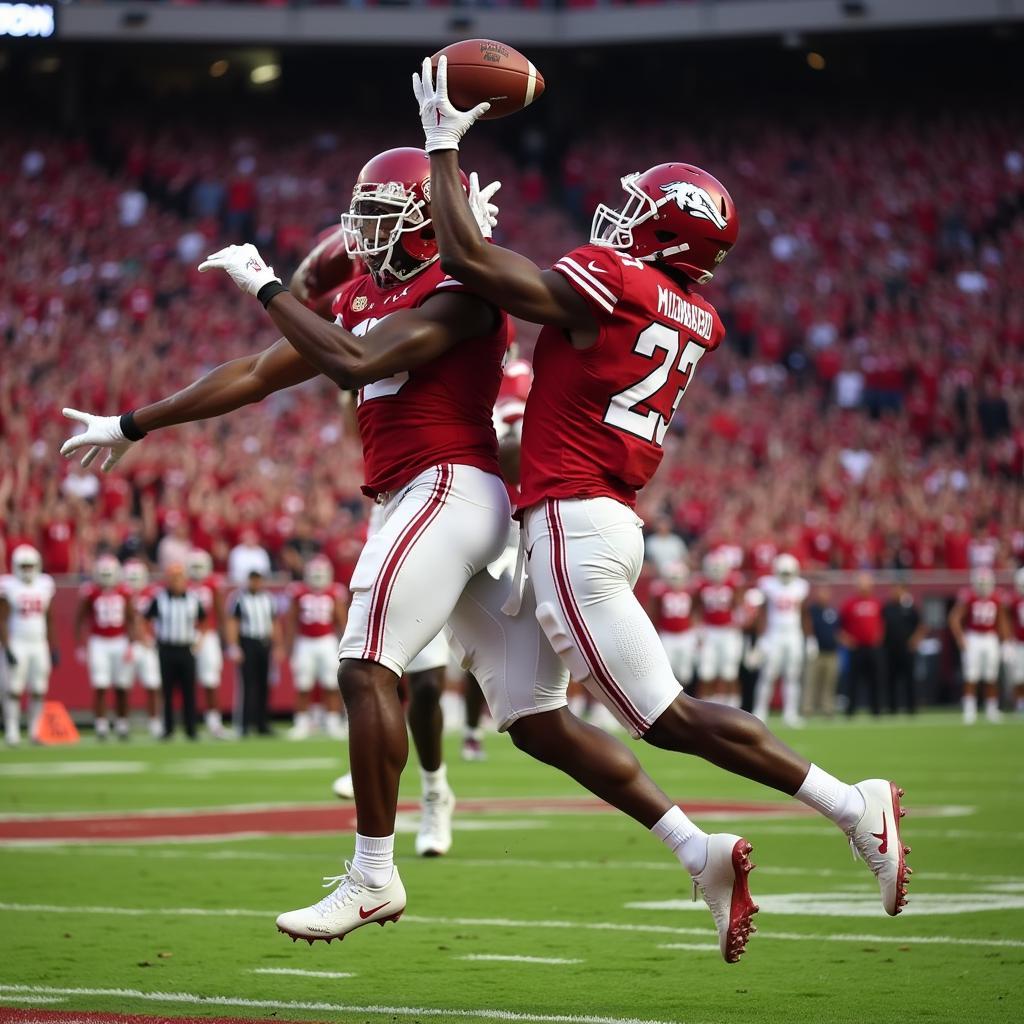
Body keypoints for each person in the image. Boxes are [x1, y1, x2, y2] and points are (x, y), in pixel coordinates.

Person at [57, 132, 905, 965]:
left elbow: (354, 362)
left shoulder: (458, 294)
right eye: (360, 213)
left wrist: (280, 280)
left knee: (367, 667)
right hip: (471, 500)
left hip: (448, 489)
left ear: (426, 221)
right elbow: (256, 371)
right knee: (537, 724)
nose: (361, 229)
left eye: (381, 213)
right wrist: (135, 422)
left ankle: (372, 874)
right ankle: (697, 852)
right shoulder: (369, 293)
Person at [413, 56, 910, 953]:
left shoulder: (622, 283)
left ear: (669, 239)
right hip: (592, 518)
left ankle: (851, 805)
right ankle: (699, 852)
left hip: (572, 523)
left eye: (643, 210)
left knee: (664, 716)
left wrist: (444, 144)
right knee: (530, 717)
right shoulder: (688, 311)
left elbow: (467, 261)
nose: (622, 214)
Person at [286, 555, 349, 740]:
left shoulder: (335, 592)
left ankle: (332, 722)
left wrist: (344, 643)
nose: (317, 578)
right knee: (303, 684)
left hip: (327, 641)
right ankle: (301, 723)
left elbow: (341, 621)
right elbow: (291, 620)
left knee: (331, 683)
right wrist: (288, 646)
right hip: (305, 641)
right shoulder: (298, 592)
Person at [0, 545, 57, 745]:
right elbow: (2, 619)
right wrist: (6, 647)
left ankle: (35, 730)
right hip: (18, 642)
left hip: (38, 643)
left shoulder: (44, 584)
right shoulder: (9, 586)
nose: (27, 570)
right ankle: (12, 730)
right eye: (23, 566)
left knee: (39, 689)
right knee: (13, 688)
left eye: (30, 566)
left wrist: (53, 646)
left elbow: (49, 618)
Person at [75, 555, 136, 740]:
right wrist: (80, 645)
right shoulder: (91, 592)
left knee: (122, 686)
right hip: (99, 641)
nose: (107, 577)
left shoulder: (124, 591)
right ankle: (101, 725)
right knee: (100, 685)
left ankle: (122, 724)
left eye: (110, 573)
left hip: (120, 640)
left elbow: (132, 619)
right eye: (104, 573)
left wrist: (131, 644)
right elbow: (80, 619)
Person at [751, 554, 812, 728]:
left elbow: (804, 613)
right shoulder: (768, 585)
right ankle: (760, 711)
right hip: (773, 634)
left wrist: (810, 638)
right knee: (768, 674)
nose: (785, 576)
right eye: (783, 572)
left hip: (793, 635)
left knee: (792, 676)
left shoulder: (801, 586)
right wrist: (760, 638)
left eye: (788, 572)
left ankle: (790, 713)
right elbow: (761, 613)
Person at [146, 563, 206, 740]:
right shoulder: (160, 598)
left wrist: (200, 639)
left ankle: (191, 729)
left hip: (186, 648)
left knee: (189, 690)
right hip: (166, 648)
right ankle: (168, 728)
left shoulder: (193, 599)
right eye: (173, 578)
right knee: (167, 691)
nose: (177, 581)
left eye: (179, 578)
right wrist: (148, 639)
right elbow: (144, 619)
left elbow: (204, 620)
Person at [948, 567, 1009, 724]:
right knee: (971, 675)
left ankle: (991, 709)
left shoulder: (996, 598)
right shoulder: (969, 597)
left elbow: (1002, 621)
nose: (983, 586)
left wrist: (1006, 642)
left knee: (991, 675)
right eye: (981, 583)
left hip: (990, 637)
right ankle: (970, 709)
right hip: (973, 637)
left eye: (986, 582)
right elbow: (954, 618)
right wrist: (961, 638)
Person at [226, 569, 281, 737]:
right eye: (253, 580)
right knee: (248, 684)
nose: (256, 584)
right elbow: (233, 623)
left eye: (258, 581)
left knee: (264, 684)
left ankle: (262, 724)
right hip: (247, 642)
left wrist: (278, 645)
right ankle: (244, 724)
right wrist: (234, 646)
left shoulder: (268, 598)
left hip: (264, 643)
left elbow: (274, 622)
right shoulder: (239, 598)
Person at [186, 549, 228, 738]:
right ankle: (189, 723)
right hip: (184, 635)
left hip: (208, 635)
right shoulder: (182, 584)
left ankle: (214, 722)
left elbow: (220, 613)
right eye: (194, 566)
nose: (197, 571)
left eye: (200, 566)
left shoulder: (213, 584)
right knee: (185, 682)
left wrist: (224, 638)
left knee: (210, 679)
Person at [695, 552, 743, 706]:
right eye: (713, 568)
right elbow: (695, 609)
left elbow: (740, 607)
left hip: (728, 632)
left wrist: (737, 624)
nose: (716, 571)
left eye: (719, 568)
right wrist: (698, 628)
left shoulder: (733, 584)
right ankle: (706, 706)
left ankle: (734, 706)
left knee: (729, 671)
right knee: (706, 671)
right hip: (709, 631)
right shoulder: (702, 585)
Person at [123, 558, 163, 738]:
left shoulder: (153, 594)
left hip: (148, 643)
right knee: (123, 685)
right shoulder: (120, 593)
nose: (134, 580)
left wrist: (150, 637)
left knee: (153, 684)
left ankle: (154, 722)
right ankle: (122, 723)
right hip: (127, 643)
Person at [838, 573, 885, 716]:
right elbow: (840, 626)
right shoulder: (850, 604)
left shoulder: (877, 603)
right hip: (856, 648)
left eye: (867, 584)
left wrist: (880, 637)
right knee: (853, 680)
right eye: (862, 584)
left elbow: (883, 623)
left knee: (875, 679)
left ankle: (876, 710)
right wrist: (846, 640)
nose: (865, 587)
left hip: (872, 648)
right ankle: (850, 710)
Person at [648, 561, 697, 690]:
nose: (677, 581)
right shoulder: (661, 592)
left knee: (685, 673)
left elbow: (696, 611)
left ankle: (685, 699)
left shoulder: (690, 591)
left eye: (679, 577)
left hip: (686, 634)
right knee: (667, 671)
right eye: (673, 578)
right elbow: (655, 613)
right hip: (667, 634)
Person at [881, 581, 925, 714]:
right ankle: (892, 708)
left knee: (909, 679)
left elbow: (922, 625)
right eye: (894, 589)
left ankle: (911, 708)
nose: (895, 592)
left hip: (907, 649)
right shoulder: (887, 608)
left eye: (898, 589)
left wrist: (915, 640)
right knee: (891, 679)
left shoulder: (910, 608)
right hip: (890, 649)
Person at [803, 585, 840, 718]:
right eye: (821, 594)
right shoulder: (812, 610)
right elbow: (807, 625)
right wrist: (810, 641)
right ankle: (807, 708)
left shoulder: (832, 611)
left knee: (829, 682)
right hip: (816, 652)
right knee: (811, 681)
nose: (823, 597)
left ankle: (827, 708)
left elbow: (837, 630)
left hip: (831, 652)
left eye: (826, 594)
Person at [1009, 567, 1024, 714]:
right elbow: (1007, 620)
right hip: (1019, 642)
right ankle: (1020, 704)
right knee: (1019, 676)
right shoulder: (1014, 600)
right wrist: (1008, 640)